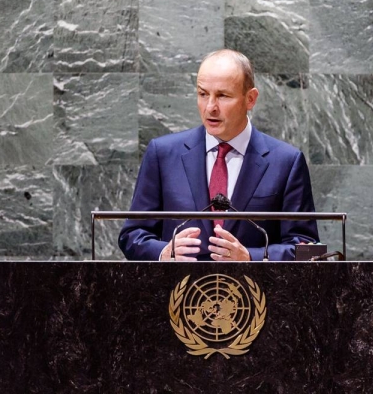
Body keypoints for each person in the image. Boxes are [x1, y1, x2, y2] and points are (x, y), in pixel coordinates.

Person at [119, 49, 319, 261]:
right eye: (203, 94)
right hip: (178, 291)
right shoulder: (163, 154)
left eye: (223, 96)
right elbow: (133, 235)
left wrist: (251, 257)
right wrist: (163, 253)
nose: (210, 107)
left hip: (254, 291)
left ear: (250, 99)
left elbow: (306, 247)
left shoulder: (286, 162)